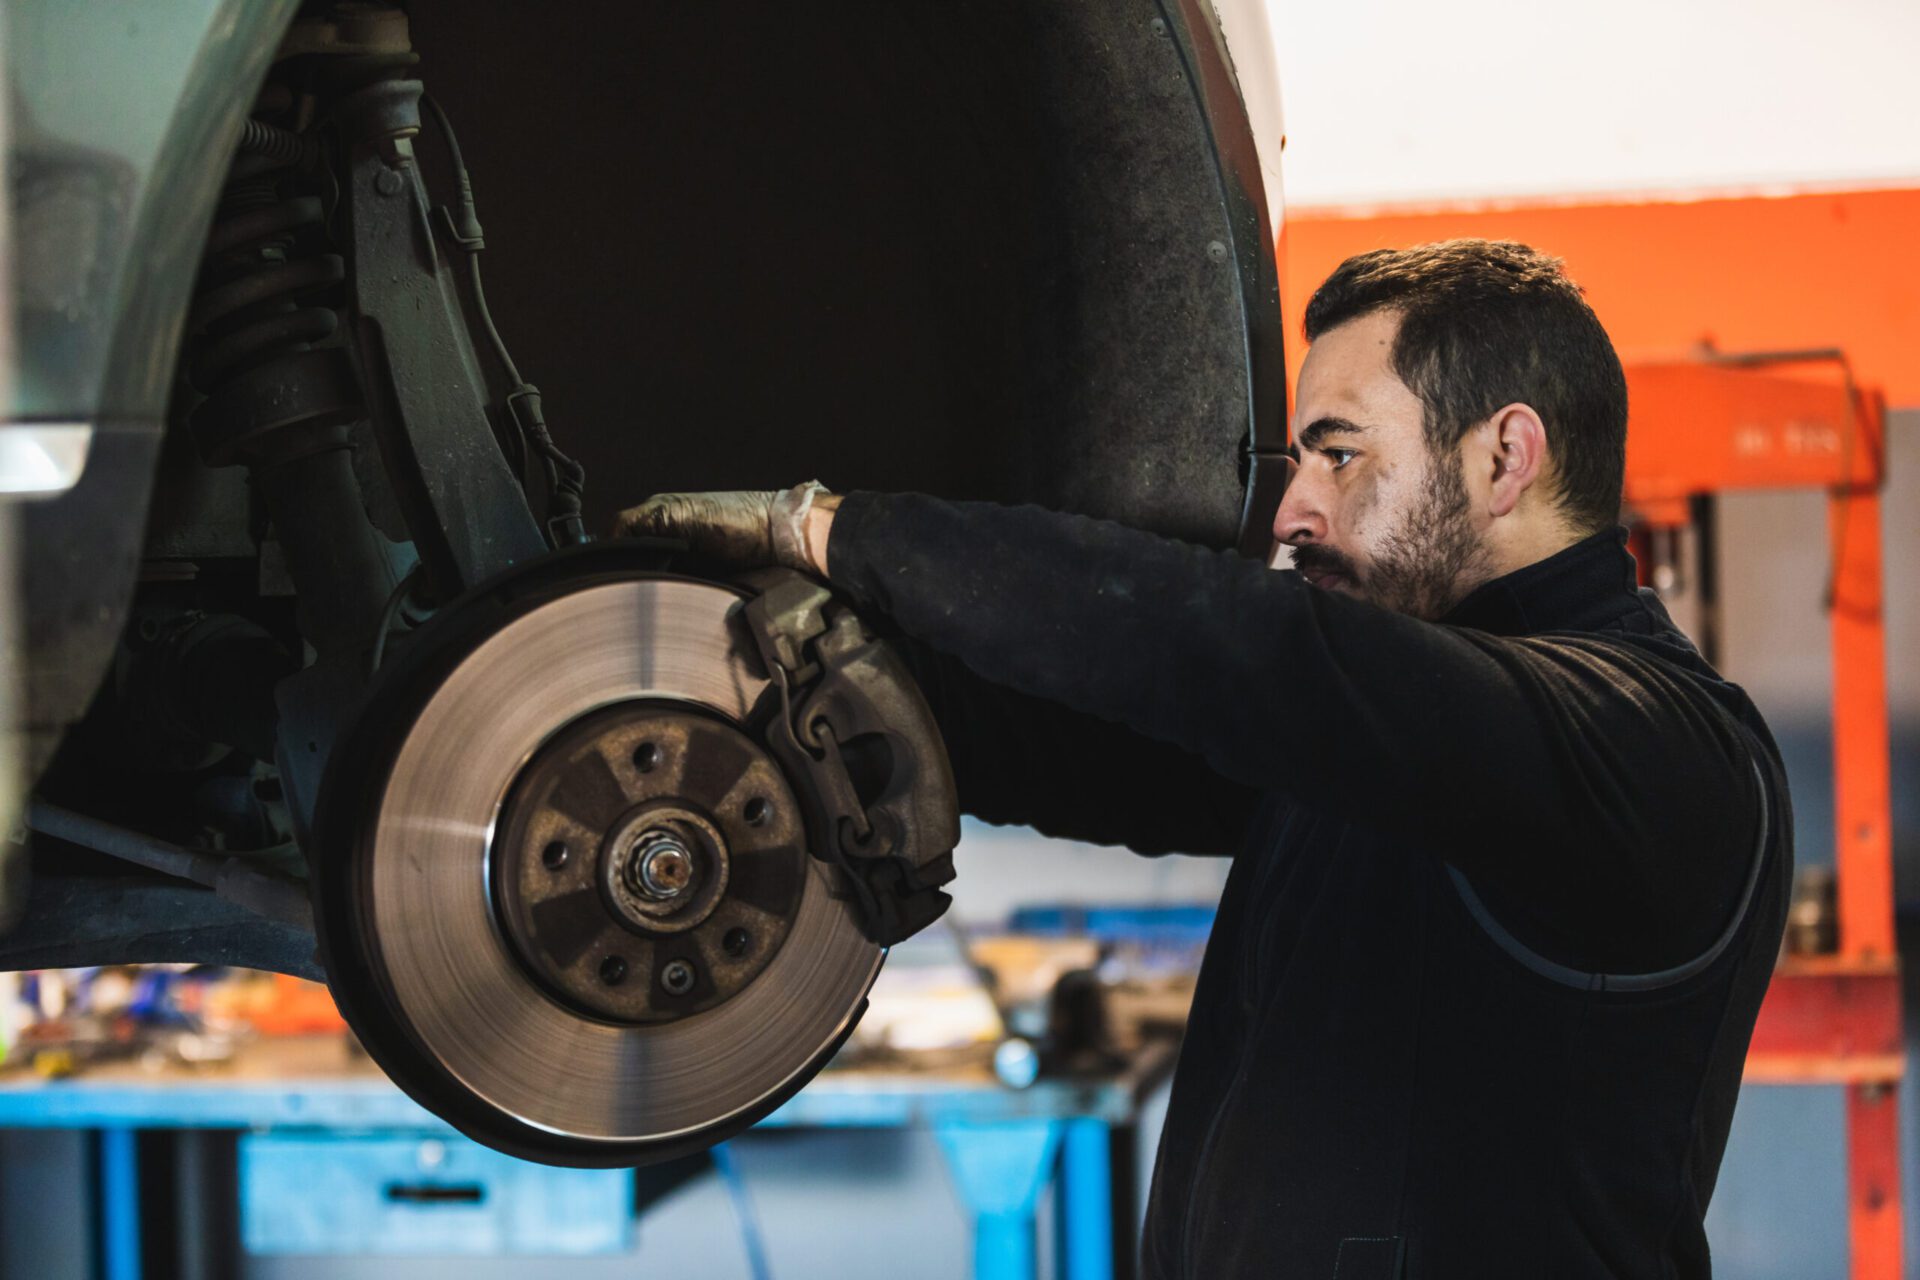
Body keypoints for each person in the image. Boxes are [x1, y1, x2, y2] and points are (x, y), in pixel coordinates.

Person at [618, 239, 1791, 1279]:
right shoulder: (1382, 741)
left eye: (1338, 456)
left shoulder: (1651, 747)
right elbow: (1103, 733)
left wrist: (836, 530)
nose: (1292, 510)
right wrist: (840, 700)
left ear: (1505, 457)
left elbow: (1230, 650)